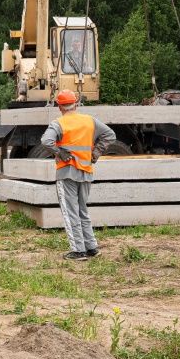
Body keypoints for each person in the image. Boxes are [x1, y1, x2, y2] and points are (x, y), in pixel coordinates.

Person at [40, 90, 116, 261]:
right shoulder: (89, 121)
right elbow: (110, 135)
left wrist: (59, 151)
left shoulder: (58, 123)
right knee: (82, 210)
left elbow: (46, 141)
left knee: (70, 211)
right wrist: (95, 153)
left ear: (59, 106)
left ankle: (78, 250)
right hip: (86, 171)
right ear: (76, 103)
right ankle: (91, 247)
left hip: (67, 172)